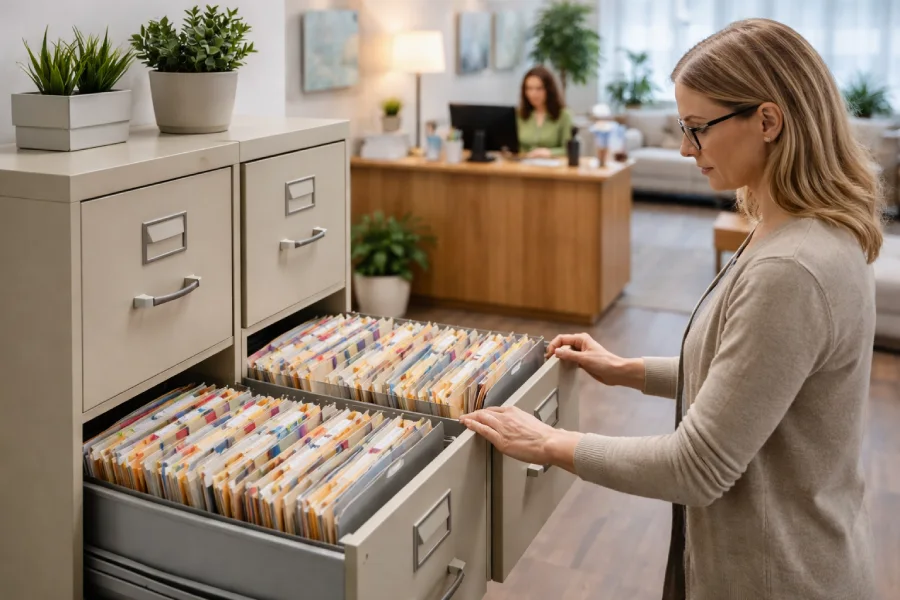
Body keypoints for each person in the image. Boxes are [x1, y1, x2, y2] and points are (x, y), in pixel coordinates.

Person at [460, 18, 882, 600]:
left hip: (778, 576)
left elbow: (697, 466)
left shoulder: (793, 268)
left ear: (767, 120)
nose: (686, 147)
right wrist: (626, 370)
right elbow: (753, 381)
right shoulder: (791, 230)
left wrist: (549, 442)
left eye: (698, 128)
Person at [516, 65, 573, 158]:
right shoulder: (519, 114)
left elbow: (568, 149)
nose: (533, 94)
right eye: (529, 89)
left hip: (552, 168)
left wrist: (550, 152)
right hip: (522, 167)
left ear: (549, 90)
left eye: (539, 89)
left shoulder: (563, 115)